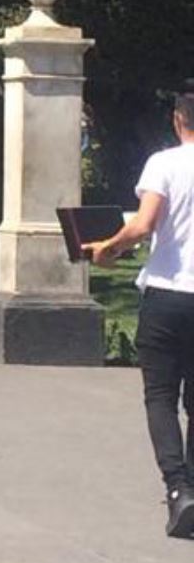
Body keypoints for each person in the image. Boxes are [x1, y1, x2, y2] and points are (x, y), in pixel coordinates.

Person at [88, 91, 194, 538]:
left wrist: (107, 249)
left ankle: (178, 488)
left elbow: (144, 224)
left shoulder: (164, 163)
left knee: (160, 396)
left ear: (177, 119)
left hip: (168, 293)